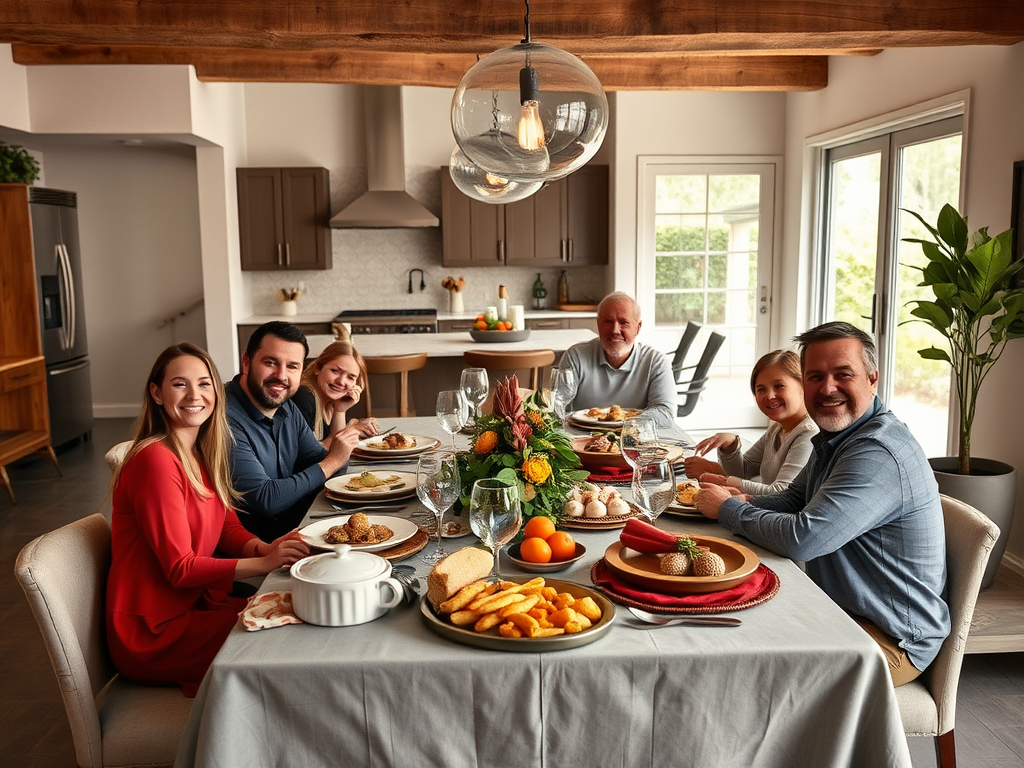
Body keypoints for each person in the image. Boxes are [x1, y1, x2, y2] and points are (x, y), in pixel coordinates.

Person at [696, 322, 949, 686]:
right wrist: (745, 498)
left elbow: (805, 538)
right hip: (839, 611)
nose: (827, 388)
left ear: (872, 379)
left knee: (743, 670)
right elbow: (793, 498)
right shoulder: (839, 435)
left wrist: (729, 509)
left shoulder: (876, 452)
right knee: (719, 628)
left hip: (889, 640)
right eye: (815, 376)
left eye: (843, 374)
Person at [106, 343, 309, 697]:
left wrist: (266, 546)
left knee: (303, 606)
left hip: (196, 606)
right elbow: (180, 568)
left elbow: (226, 525)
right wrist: (263, 563)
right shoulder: (155, 461)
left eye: (204, 383)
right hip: (155, 630)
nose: (194, 395)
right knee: (293, 638)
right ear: (156, 392)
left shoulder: (199, 451)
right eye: (179, 384)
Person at [227, 321, 361, 542]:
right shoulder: (225, 418)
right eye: (271, 363)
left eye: (292, 366)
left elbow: (328, 465)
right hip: (256, 551)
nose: (281, 376)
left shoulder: (286, 405)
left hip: (300, 530)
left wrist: (334, 459)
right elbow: (267, 500)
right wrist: (332, 461)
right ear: (247, 362)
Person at [683, 349, 817, 494]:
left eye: (779, 386)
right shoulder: (777, 428)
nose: (769, 396)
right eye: (761, 389)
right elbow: (744, 471)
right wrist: (731, 445)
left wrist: (722, 480)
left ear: (803, 385)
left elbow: (782, 493)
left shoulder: (808, 434)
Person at [558, 292, 677, 428]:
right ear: (598, 324)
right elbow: (558, 406)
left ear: (638, 328)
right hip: (579, 440)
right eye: (608, 322)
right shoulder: (576, 356)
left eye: (623, 322)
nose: (615, 330)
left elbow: (665, 412)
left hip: (635, 439)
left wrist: (625, 426)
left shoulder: (656, 362)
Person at [293, 336, 380, 444]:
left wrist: (341, 411)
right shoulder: (304, 397)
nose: (341, 381)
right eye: (335, 371)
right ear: (317, 368)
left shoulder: (332, 402)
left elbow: (335, 447)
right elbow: (318, 454)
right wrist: (353, 430)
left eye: (350, 377)